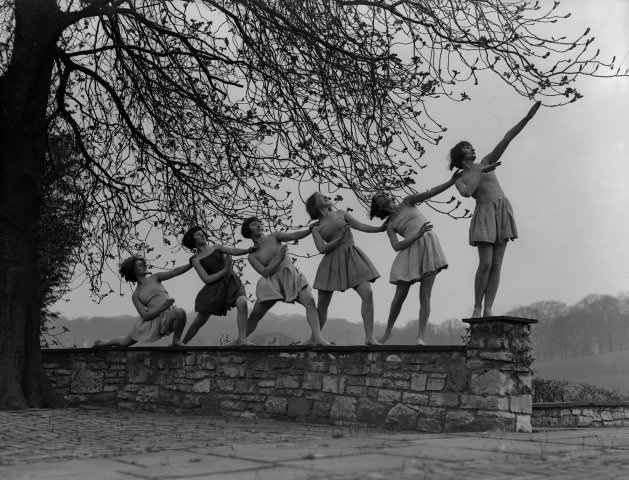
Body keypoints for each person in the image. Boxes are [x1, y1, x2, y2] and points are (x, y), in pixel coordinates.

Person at [451, 100, 541, 317]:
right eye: (467, 147)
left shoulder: (486, 161)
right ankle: (477, 306)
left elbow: (507, 139)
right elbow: (466, 192)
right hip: (484, 214)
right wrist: (480, 173)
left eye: (472, 146)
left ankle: (488, 307)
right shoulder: (460, 178)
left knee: (497, 264)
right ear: (460, 155)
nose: (472, 148)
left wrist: (527, 118)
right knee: (485, 264)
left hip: (501, 210)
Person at [370, 172, 474, 344]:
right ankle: (388, 332)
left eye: (383, 193)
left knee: (425, 295)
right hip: (411, 249)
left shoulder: (407, 202)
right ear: (378, 206)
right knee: (400, 294)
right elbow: (396, 246)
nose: (383, 195)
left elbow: (430, 193)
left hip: (429, 245)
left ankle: (421, 336)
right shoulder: (390, 224)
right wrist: (416, 236)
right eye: (378, 197)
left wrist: (451, 181)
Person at [305, 193, 386, 345]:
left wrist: (380, 229)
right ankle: (314, 338)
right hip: (330, 263)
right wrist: (339, 239)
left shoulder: (341, 213)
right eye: (320, 196)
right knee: (322, 305)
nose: (325, 196)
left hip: (352, 257)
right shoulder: (316, 228)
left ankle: (369, 337)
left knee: (367, 293)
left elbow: (361, 226)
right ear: (314, 204)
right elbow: (321, 248)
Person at [242, 216, 330, 346]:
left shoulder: (274, 236)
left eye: (259, 223)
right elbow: (264, 272)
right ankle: (241, 339)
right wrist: (279, 258)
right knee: (255, 315)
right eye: (254, 225)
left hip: (292, 277)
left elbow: (294, 235)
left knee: (309, 301)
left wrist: (309, 230)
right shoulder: (252, 255)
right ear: (247, 231)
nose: (259, 225)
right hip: (271, 284)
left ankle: (316, 338)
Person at [93, 256, 191, 348]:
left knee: (180, 313)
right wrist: (162, 307)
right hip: (151, 321)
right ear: (133, 271)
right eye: (140, 265)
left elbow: (174, 272)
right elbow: (145, 315)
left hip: (167, 315)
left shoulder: (155, 277)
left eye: (144, 264)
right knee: (124, 343)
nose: (144, 266)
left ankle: (176, 340)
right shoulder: (136, 294)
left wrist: (190, 264)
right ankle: (102, 343)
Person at [180, 226, 256, 345]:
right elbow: (207, 279)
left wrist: (247, 250)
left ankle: (242, 339)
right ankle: (182, 343)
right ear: (192, 240)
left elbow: (233, 251)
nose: (202, 235)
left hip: (232, 282)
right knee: (200, 320)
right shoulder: (196, 260)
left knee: (242, 303)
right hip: (215, 289)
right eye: (198, 234)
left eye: (202, 233)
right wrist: (224, 270)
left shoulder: (216, 247)